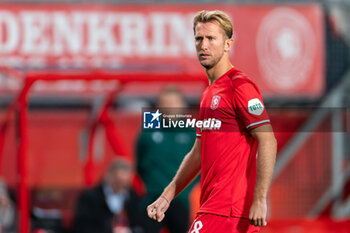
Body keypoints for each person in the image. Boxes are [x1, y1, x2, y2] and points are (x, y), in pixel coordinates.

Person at [146, 10, 277, 233]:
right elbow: (198, 152)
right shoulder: (209, 93)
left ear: (228, 44)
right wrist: (167, 197)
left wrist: (260, 199)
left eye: (211, 38)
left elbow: (268, 140)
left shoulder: (240, 86)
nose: (203, 45)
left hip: (227, 211)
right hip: (216, 210)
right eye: (199, 38)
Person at [137, 85, 197, 233]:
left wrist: (187, 189)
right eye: (165, 103)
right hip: (153, 197)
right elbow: (140, 162)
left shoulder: (192, 130)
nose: (169, 107)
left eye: (173, 103)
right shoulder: (150, 126)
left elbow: (200, 164)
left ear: (182, 106)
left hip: (181, 199)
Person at [72, 158, 143, 233]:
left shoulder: (132, 198)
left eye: (124, 183)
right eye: (118, 182)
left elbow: (140, 224)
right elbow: (82, 226)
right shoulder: (90, 198)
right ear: (108, 176)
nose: (120, 187)